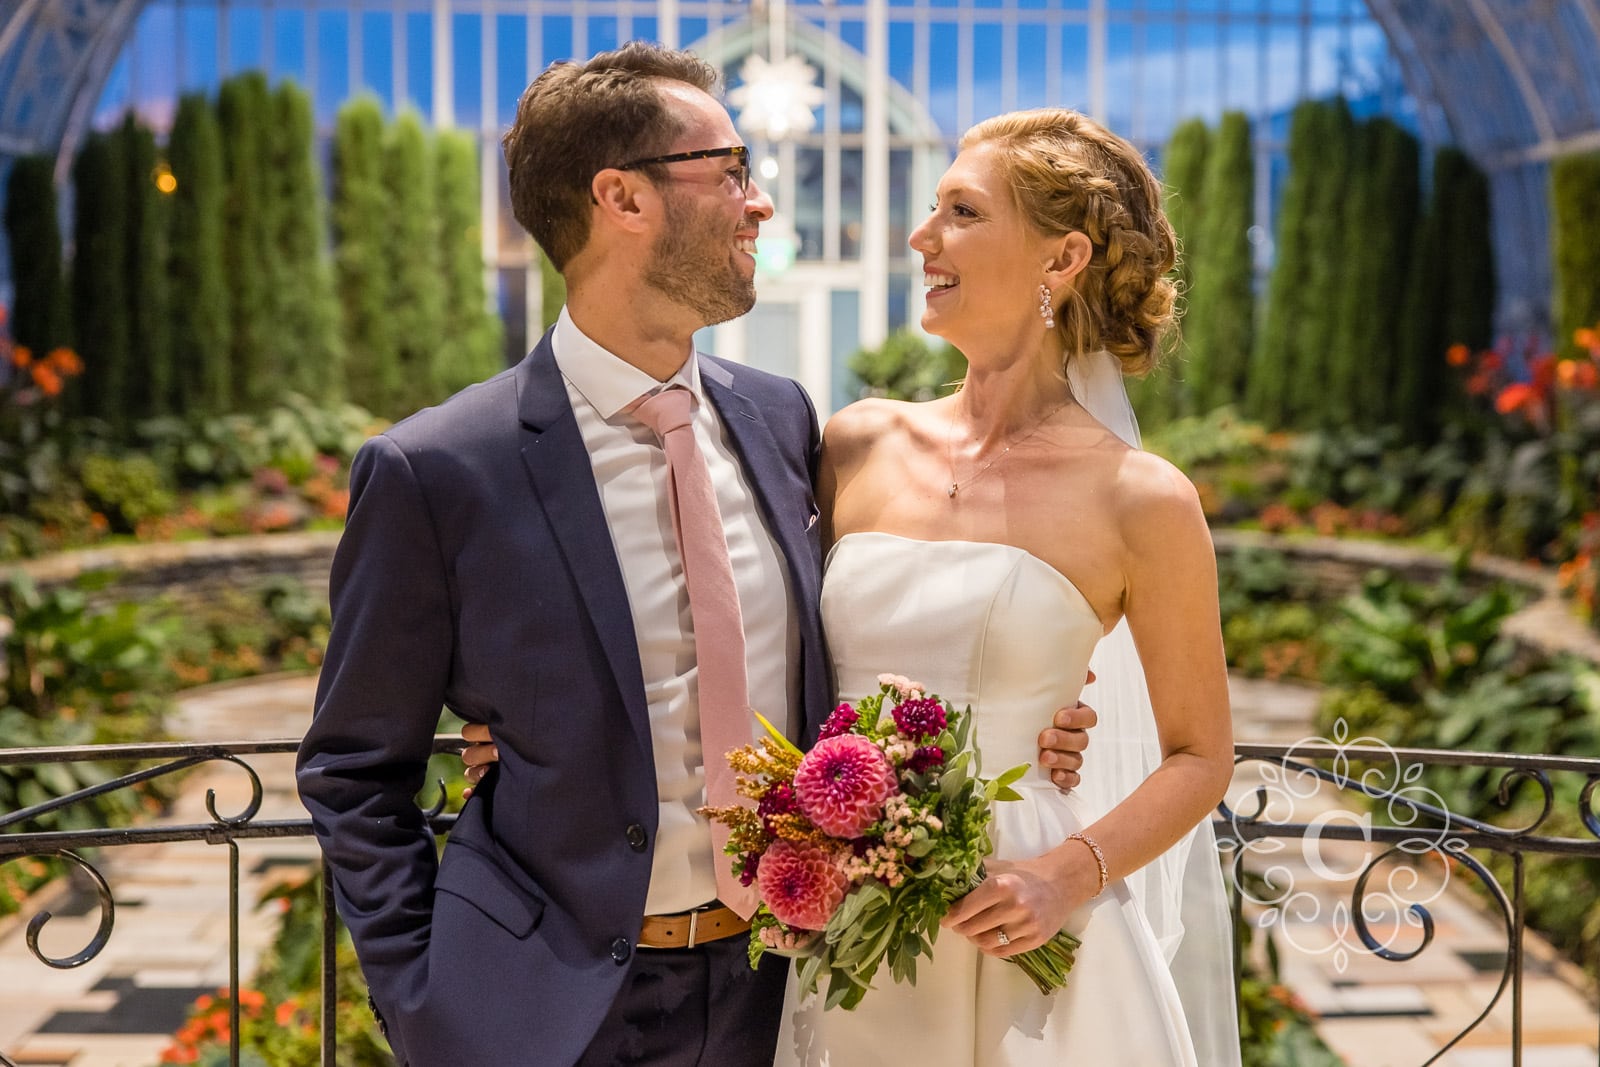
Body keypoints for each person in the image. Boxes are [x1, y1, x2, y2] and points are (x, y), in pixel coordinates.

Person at [296, 43, 1095, 1067]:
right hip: (544, 1016)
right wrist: (425, 1002)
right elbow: (355, 768)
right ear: (622, 198)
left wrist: (1031, 710)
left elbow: (867, 637)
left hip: (787, 987)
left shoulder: (780, 421)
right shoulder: (439, 470)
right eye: (729, 171)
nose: (759, 203)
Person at [772, 108, 1240, 1065]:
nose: (921, 236)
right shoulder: (857, 443)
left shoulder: (1142, 499)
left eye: (962, 211)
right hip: (848, 917)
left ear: (1061, 259)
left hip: (1022, 920)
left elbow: (1201, 754)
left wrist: (1066, 875)